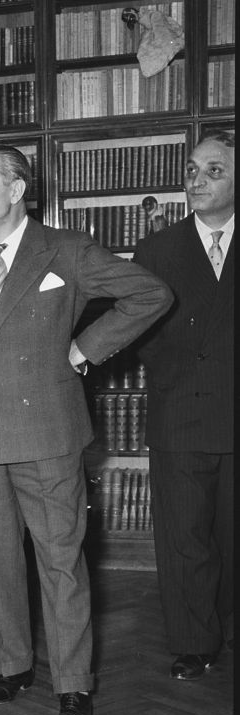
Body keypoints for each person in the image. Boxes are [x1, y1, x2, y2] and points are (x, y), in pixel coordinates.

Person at [0, 144, 172, 715]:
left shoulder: (64, 250)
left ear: (17, 190)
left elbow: (152, 294)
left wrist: (85, 348)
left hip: (47, 437)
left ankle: (72, 685)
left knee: (61, 562)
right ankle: (11, 666)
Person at [133, 129, 234, 680]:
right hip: (179, 412)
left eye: (213, 170)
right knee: (184, 536)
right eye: (192, 170)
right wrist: (171, 375)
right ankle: (194, 642)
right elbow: (137, 327)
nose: (197, 179)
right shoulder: (157, 249)